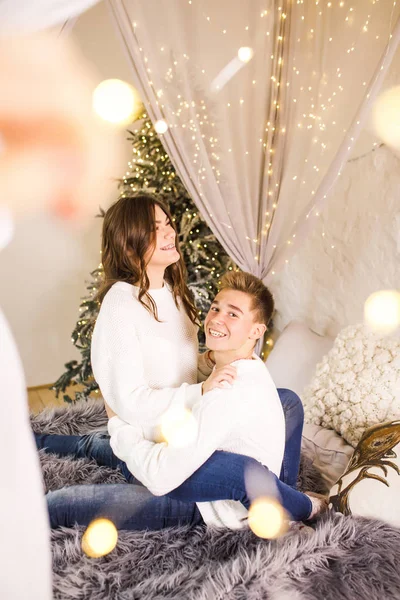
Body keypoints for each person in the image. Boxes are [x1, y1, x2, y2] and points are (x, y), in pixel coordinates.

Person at [41, 194, 327, 530]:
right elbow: (129, 405)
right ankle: (33, 440)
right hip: (154, 439)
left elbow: (180, 362)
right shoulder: (121, 306)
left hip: (187, 422)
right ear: (130, 245)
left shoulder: (175, 294)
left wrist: (209, 366)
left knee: (286, 403)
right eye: (155, 229)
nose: (169, 233)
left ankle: (277, 494)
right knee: (95, 454)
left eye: (168, 224)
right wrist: (201, 392)